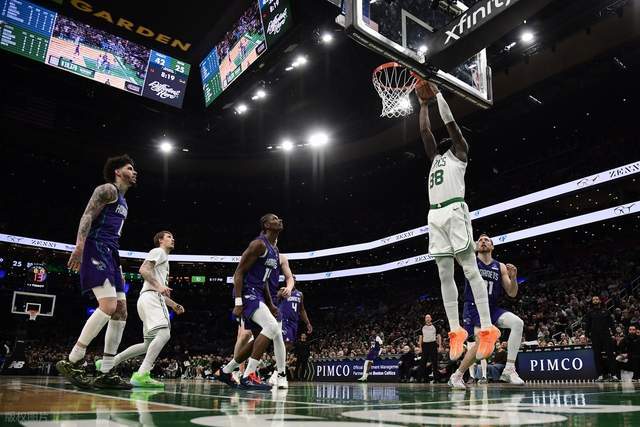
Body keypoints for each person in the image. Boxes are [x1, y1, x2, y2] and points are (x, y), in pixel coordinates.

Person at [415, 80, 499, 362]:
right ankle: (455, 330)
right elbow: (425, 131)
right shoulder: (435, 159)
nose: (440, 141)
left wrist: (438, 94)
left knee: (469, 268)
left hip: (454, 210)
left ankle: (486, 328)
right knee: (443, 273)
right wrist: (423, 105)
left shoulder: (460, 152)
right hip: (435, 214)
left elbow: (450, 123)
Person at [56, 155, 136, 389]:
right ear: (117, 172)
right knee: (108, 306)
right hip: (96, 247)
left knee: (121, 312)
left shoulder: (124, 201)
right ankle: (73, 360)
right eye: (130, 168)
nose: (134, 172)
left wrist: (117, 267)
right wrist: (80, 246)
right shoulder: (107, 190)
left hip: (112, 253)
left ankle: (107, 372)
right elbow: (88, 215)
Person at [95, 231, 185, 387]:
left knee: (147, 344)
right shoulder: (159, 252)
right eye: (169, 237)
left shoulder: (162, 258)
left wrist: (174, 305)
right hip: (152, 298)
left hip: (146, 298)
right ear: (160, 240)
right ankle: (142, 373)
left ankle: (109, 362)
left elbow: (158, 290)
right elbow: (144, 270)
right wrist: (159, 286)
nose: (173, 239)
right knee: (164, 334)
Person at [447, 234, 525, 388]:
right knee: (482, 342)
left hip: (492, 308)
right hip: (473, 307)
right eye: (480, 240)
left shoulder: (500, 266)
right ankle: (457, 375)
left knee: (518, 323)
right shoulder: (470, 260)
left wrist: (514, 278)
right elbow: (456, 255)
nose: (483, 241)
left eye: (487, 240)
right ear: (476, 246)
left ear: (492, 246)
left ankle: (509, 369)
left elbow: (512, 293)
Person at [222, 214, 288, 390]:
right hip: (247, 292)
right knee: (272, 327)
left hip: (259, 293)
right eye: (274, 219)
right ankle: (248, 375)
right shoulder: (258, 244)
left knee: (262, 335)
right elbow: (238, 273)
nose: (279, 220)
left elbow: (264, 280)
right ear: (266, 225)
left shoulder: (275, 250)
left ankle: (226, 371)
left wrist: (271, 304)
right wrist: (238, 302)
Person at [267, 280, 313, 385]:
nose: (293, 279)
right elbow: (274, 300)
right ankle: (276, 373)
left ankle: (277, 370)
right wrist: (279, 295)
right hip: (284, 320)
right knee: (285, 345)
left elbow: (302, 310)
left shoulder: (300, 294)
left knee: (288, 346)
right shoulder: (283, 290)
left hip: (294, 322)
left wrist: (307, 323)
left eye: (294, 278)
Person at [585, 296, 619, 381]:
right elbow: (587, 325)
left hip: (606, 335)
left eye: (597, 299)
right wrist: (587, 335)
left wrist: (615, 333)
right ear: (592, 302)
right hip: (595, 336)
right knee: (597, 356)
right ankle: (600, 375)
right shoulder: (590, 313)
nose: (595, 300)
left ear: (600, 301)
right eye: (593, 299)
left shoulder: (606, 311)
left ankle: (613, 375)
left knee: (610, 354)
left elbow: (611, 323)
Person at [419, 314, 441, 383]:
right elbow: (420, 338)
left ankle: (436, 379)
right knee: (423, 362)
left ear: (431, 319)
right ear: (425, 319)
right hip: (425, 345)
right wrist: (420, 347)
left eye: (429, 317)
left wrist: (440, 346)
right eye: (426, 317)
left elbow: (439, 336)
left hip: (433, 344)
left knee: (434, 362)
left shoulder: (435, 326)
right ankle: (424, 378)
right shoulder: (422, 327)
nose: (427, 318)